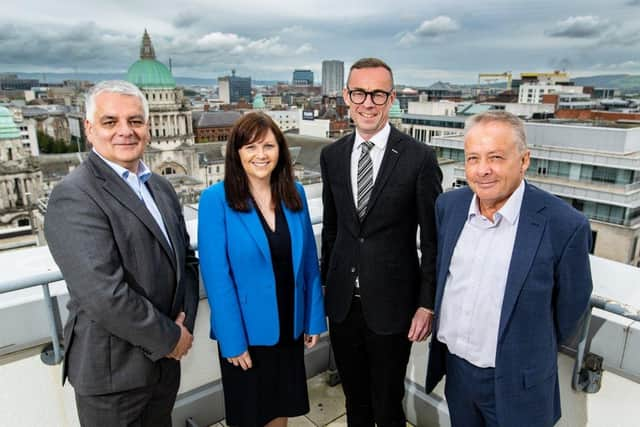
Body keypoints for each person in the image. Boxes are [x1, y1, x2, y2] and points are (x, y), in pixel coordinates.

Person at [44, 80, 199, 427]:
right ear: (88, 128)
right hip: (114, 375)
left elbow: (186, 262)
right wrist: (171, 337)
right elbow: (103, 294)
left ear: (148, 126)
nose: (125, 132)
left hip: (163, 364)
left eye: (136, 121)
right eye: (110, 121)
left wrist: (183, 324)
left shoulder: (160, 186)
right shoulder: (74, 195)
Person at [425, 110, 593, 427]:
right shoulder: (450, 206)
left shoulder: (563, 225)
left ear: (524, 160)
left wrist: (526, 349)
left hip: (519, 384)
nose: (483, 170)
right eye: (473, 158)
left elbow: (572, 306)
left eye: (496, 157)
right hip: (458, 373)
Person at [320, 57, 442, 427]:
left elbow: (432, 239)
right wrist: (327, 285)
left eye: (377, 94)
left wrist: (426, 304)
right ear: (346, 96)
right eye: (359, 92)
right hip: (343, 304)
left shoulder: (419, 158)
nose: (367, 102)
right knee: (354, 399)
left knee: (388, 402)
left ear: (391, 99)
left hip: (393, 304)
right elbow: (333, 228)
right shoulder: (333, 156)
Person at [198, 112, 327, 427]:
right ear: (236, 153)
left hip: (289, 326)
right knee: (250, 414)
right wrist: (232, 340)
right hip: (247, 333)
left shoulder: (293, 192)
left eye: (268, 146)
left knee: (280, 408)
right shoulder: (215, 200)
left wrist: (313, 319)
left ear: (280, 150)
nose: (260, 155)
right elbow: (217, 278)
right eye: (250, 147)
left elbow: (309, 262)